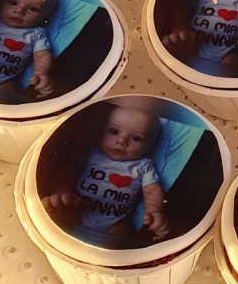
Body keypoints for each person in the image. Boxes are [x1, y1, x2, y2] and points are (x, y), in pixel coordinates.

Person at [42, 102, 169, 243]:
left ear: (148, 146)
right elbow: (65, 170)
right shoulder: (91, 154)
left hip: (114, 223)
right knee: (59, 210)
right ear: (101, 133)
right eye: (113, 132)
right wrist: (63, 192)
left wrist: (153, 211)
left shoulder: (143, 165)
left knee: (123, 231)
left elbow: (152, 189)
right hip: (77, 210)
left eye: (136, 138)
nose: (121, 141)